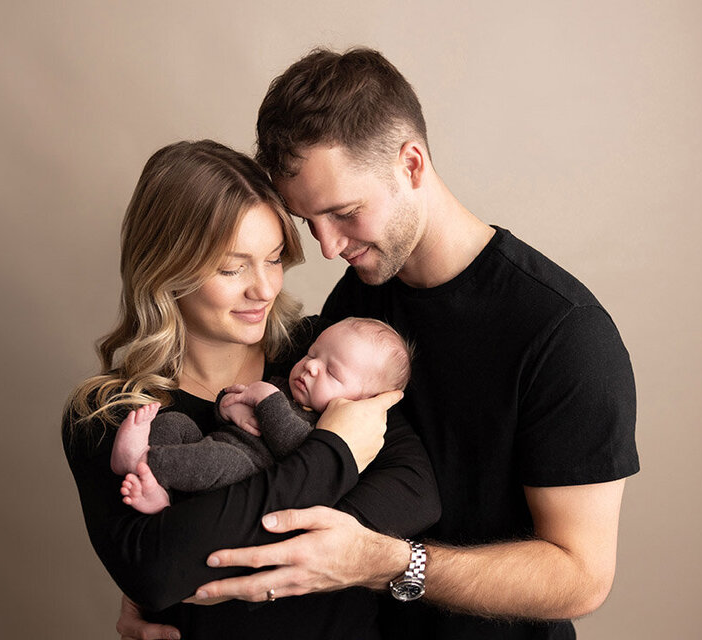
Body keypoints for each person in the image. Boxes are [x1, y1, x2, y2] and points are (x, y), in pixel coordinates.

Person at [118, 48, 639, 640]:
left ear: (411, 163)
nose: (328, 248)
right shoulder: (355, 303)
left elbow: (582, 576)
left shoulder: (565, 336)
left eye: (344, 213)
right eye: (310, 222)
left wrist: (392, 564)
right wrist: (171, 604)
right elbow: (293, 485)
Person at [62, 139, 441, 639]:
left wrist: (206, 539)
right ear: (166, 269)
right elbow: (155, 572)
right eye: (232, 267)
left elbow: (415, 494)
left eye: (274, 258)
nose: (264, 288)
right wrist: (334, 455)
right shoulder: (109, 414)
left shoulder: (318, 355)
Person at [111, 317, 413, 514]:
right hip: (212, 443)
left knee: (217, 459)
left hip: (244, 470)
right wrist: (229, 406)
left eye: (331, 371)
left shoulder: (329, 427)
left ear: (361, 402)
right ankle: (156, 485)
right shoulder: (283, 386)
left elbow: (299, 451)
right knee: (177, 422)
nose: (310, 367)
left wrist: (267, 400)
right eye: (311, 354)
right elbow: (233, 396)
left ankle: (142, 464)